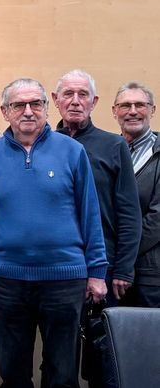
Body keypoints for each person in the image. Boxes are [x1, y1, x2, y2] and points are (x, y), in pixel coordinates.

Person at [0, 78, 107, 388]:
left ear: (47, 108)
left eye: (36, 104)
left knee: (62, 374)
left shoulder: (72, 151)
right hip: (8, 281)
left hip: (64, 279)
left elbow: (90, 214)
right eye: (19, 105)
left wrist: (97, 271)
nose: (28, 111)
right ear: (5, 111)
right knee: (14, 374)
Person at [53, 69, 141, 307]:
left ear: (94, 102)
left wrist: (123, 269)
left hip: (103, 265)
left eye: (83, 94)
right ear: (55, 100)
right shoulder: (44, 147)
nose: (75, 101)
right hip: (57, 265)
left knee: (101, 341)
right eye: (68, 93)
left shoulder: (113, 145)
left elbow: (129, 212)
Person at [113, 82, 160, 307]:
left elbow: (157, 218)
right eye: (125, 105)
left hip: (150, 274)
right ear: (114, 111)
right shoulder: (108, 151)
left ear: (152, 110)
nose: (132, 111)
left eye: (140, 105)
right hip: (110, 271)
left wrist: (124, 256)